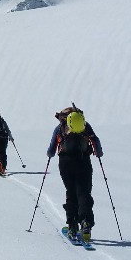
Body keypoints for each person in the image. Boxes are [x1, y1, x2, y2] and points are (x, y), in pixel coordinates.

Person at [47, 104, 102, 244]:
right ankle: (86, 223)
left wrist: (50, 154)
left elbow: (52, 148)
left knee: (71, 192)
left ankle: (72, 226)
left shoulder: (60, 128)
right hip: (84, 161)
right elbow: (95, 140)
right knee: (84, 192)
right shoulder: (84, 125)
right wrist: (98, 153)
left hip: (65, 163)